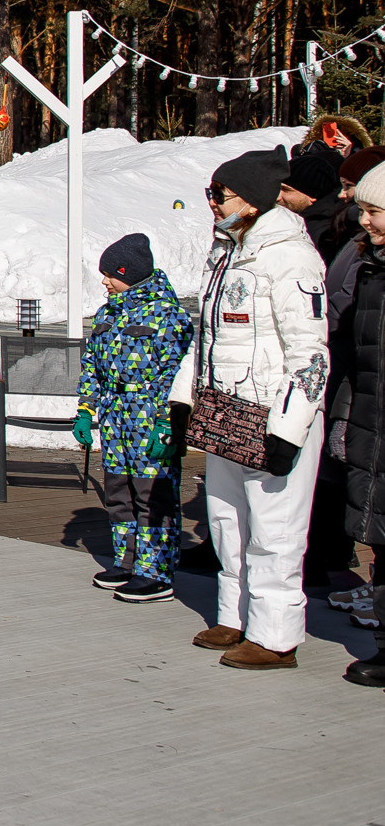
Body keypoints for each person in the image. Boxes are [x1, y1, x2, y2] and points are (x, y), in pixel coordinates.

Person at [180, 146, 329, 669]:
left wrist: (289, 429)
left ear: (253, 200)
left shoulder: (289, 254)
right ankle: (235, 615)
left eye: (220, 195)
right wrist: (184, 403)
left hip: (272, 416)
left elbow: (310, 353)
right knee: (226, 520)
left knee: (275, 529)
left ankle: (276, 635)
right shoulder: (226, 251)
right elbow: (207, 337)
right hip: (226, 413)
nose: (214, 205)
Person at [74, 233, 194, 603]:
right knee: (119, 492)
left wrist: (167, 420)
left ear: (132, 273)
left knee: (151, 495)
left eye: (111, 274)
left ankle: (155, 571)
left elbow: (176, 372)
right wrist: (86, 407)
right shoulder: (107, 312)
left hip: (149, 416)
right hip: (114, 415)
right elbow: (92, 363)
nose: (104, 281)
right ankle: (127, 561)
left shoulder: (167, 314)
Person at [332, 166, 385, 687]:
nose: (361, 218)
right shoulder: (372, 270)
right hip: (371, 414)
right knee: (380, 539)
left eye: (372, 212)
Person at [280, 147, 354, 266]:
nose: (278, 197)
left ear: (310, 194)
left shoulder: (324, 231)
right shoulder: (303, 218)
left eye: (286, 190)